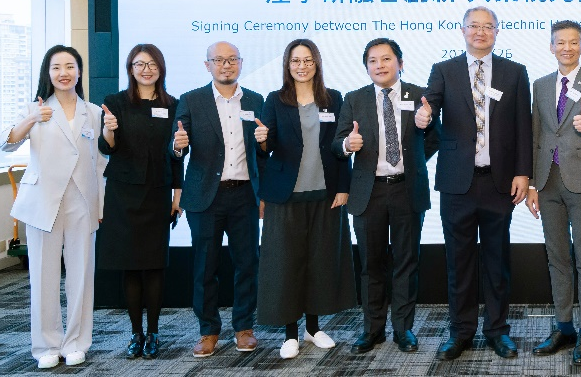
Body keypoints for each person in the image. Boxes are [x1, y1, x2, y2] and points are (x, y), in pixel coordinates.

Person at [415, 6, 532, 361]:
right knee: (459, 262)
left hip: (499, 182)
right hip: (457, 184)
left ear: (497, 31)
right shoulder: (444, 70)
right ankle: (460, 332)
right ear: (463, 30)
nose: (480, 32)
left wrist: (523, 173)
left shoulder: (514, 72)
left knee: (497, 262)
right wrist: (424, 116)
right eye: (474, 26)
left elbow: (523, 126)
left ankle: (498, 331)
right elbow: (431, 105)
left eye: (487, 26)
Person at [0, 45, 107, 369]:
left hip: (82, 201)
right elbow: (6, 142)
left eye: (70, 66)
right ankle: (46, 345)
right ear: (48, 72)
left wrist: (100, 205)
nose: (64, 73)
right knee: (43, 277)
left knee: (81, 276)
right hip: (43, 201)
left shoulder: (93, 111)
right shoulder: (35, 108)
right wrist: (33, 118)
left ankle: (76, 342)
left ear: (79, 72)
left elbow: (100, 163)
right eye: (57, 67)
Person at [333, 38, 440, 355]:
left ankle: (404, 330)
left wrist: (415, 159)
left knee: (406, 262)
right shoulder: (354, 99)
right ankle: (372, 330)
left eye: (386, 59)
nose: (379, 65)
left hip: (407, 188)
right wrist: (346, 145)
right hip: (369, 192)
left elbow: (435, 137)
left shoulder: (419, 95)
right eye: (372, 61)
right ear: (366, 67)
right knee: (372, 264)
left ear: (400, 63)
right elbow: (337, 143)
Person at [257, 39, 356, 360]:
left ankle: (313, 329)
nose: (302, 66)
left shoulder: (334, 99)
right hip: (286, 197)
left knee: (319, 262)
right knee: (287, 264)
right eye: (296, 61)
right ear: (287, 65)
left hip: (325, 195)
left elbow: (341, 145)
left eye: (308, 60)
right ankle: (290, 334)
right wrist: (262, 140)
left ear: (317, 63)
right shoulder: (275, 100)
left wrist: (344, 187)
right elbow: (267, 146)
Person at [526, 21, 581, 365]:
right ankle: (564, 327)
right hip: (548, 181)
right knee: (557, 257)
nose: (566, 48)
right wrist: (532, 184)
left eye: (573, 42)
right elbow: (535, 135)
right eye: (560, 42)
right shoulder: (540, 84)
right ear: (551, 47)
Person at [171, 41, 266, 357]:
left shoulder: (255, 100)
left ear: (240, 62)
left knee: (247, 264)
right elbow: (177, 145)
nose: (226, 65)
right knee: (205, 266)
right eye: (219, 60)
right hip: (205, 197)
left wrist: (264, 145)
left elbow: (263, 151)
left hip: (244, 194)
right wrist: (178, 145)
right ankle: (208, 331)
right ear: (207, 65)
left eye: (232, 59)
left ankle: (244, 327)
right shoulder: (191, 100)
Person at [96, 44, 183, 360]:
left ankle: (154, 333)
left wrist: (177, 196)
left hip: (157, 193)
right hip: (123, 194)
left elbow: (177, 155)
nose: (146, 70)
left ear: (161, 67)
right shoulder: (115, 102)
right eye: (139, 64)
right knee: (130, 267)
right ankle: (136, 332)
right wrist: (109, 131)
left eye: (152, 64)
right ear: (130, 68)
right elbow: (107, 148)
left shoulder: (173, 105)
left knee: (155, 266)